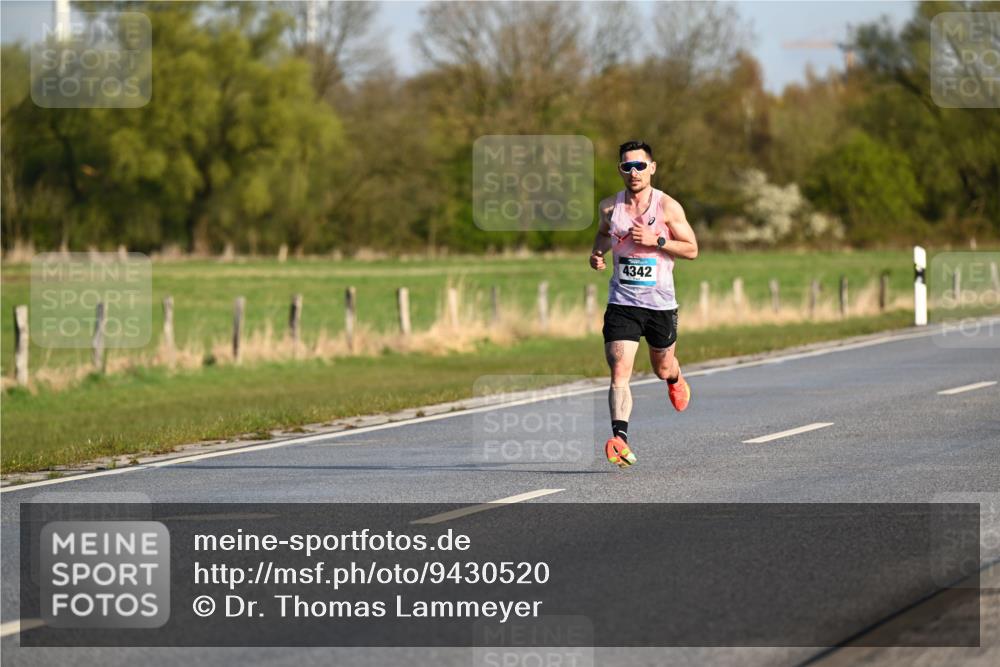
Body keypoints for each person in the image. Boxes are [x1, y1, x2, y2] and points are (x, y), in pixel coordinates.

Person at [589, 140, 699, 468]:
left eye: (640, 166)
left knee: (661, 366)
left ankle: (675, 378)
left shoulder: (667, 207)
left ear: (652, 168)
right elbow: (602, 235)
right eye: (627, 167)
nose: (634, 172)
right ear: (620, 170)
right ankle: (619, 438)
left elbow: (692, 249)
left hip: (660, 304)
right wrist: (597, 255)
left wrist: (659, 241)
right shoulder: (610, 207)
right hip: (622, 301)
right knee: (619, 370)